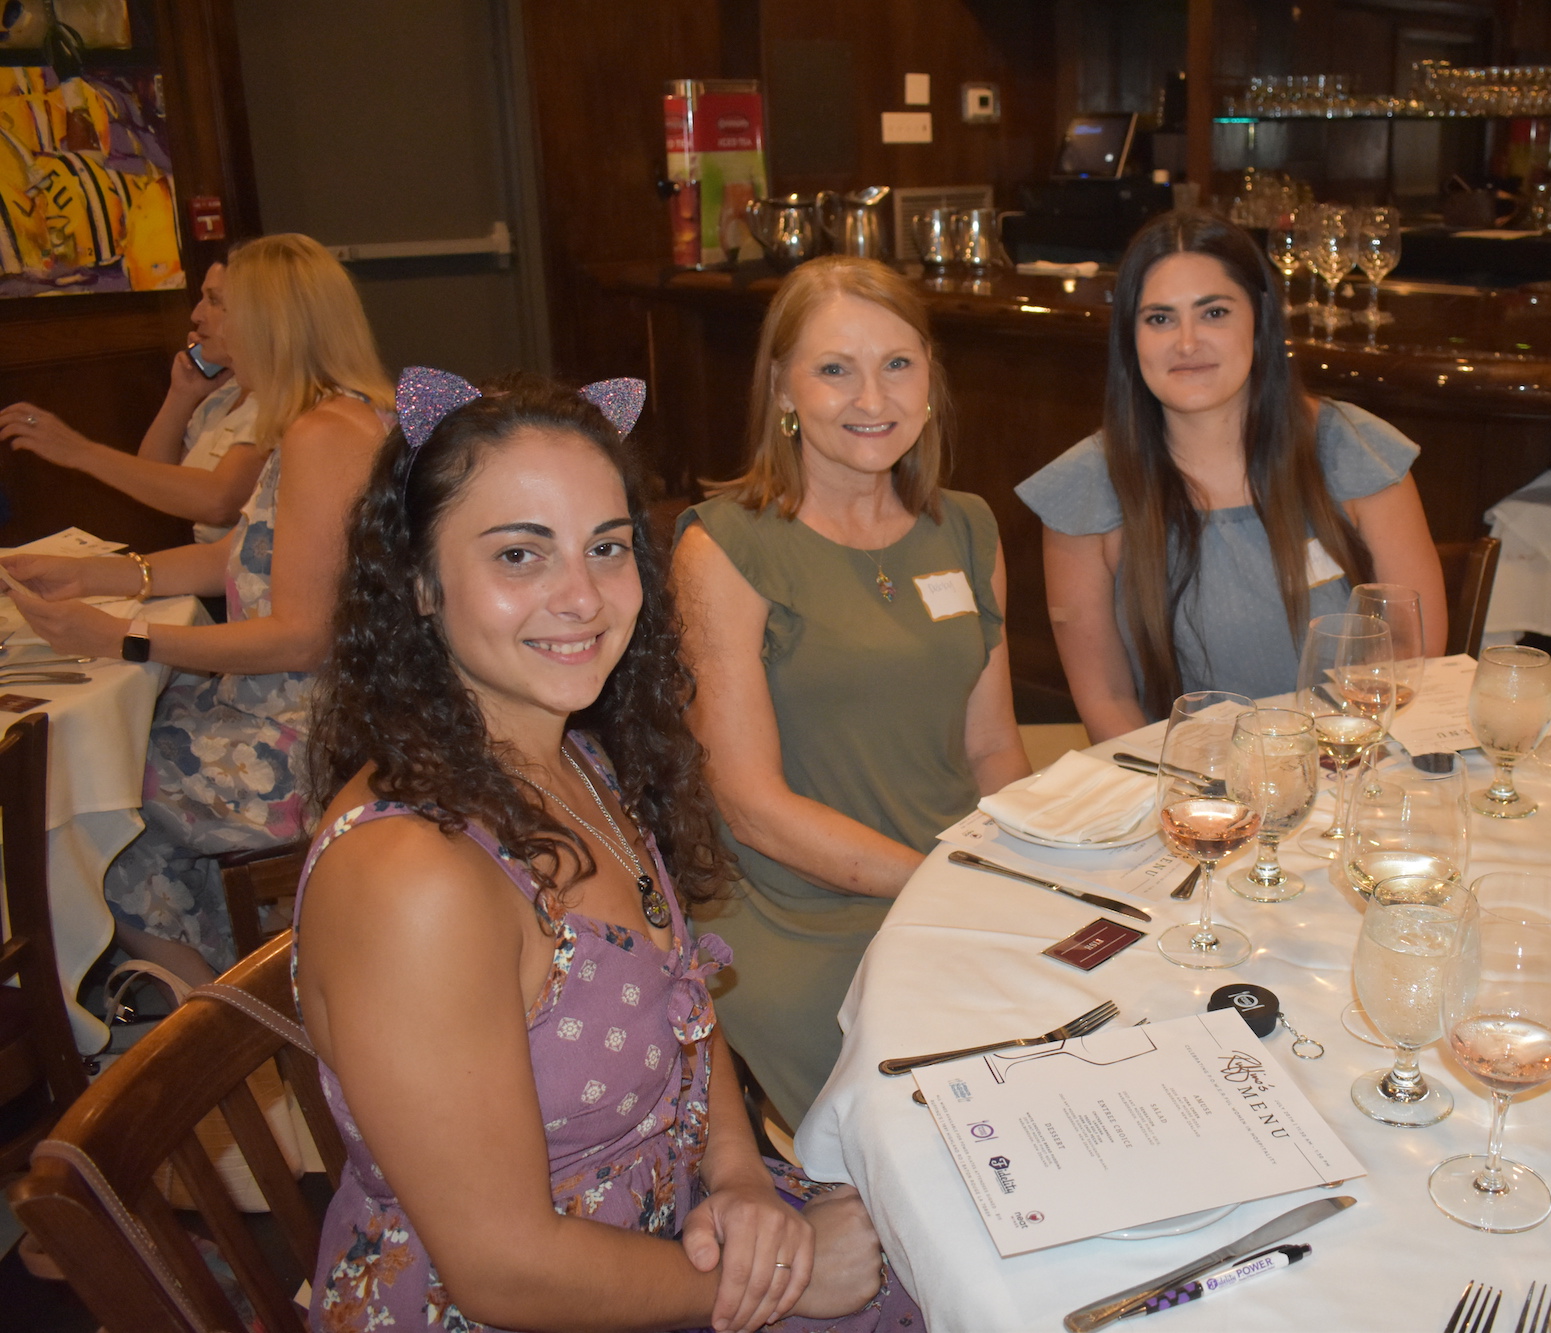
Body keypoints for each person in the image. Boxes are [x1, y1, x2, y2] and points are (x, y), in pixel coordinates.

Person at [295, 368, 915, 1333]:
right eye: (519, 555)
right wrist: (785, 1281)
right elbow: (502, 1270)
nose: (581, 597)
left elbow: (684, 1008)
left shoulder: (576, 759)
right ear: (418, 581)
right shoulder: (411, 879)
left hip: (671, 1226)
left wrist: (740, 1174)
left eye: (607, 547)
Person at [672, 255, 1030, 1127]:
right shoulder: (723, 547)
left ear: (930, 379)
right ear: (782, 389)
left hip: (955, 876)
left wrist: (1028, 871)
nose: (873, 397)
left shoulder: (968, 526)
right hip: (800, 910)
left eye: (897, 364)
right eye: (835, 368)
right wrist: (946, 883)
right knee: (946, 1111)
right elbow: (751, 806)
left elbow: (992, 747)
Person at [0, 233, 392, 985]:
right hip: (310, 712)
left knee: (92, 798)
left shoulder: (322, 435)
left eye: (226, 307)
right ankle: (226, 975)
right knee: (124, 751)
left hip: (315, 743)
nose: (209, 323)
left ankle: (215, 1011)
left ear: (270, 324)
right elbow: (239, 556)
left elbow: (303, 636)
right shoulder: (332, 417)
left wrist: (123, 637)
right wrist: (91, 576)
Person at [1018, 209, 1447, 742]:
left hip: (1351, 760)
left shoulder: (1352, 450)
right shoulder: (1083, 490)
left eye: (1214, 312)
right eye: (1159, 319)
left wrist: (1333, 769)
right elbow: (1108, 702)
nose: (1187, 343)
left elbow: (1411, 653)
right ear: (1129, 337)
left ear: (1260, 318)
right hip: (1188, 782)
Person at [1, 260, 268, 542]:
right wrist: (182, 395)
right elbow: (153, 479)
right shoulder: (225, 395)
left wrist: (79, 451)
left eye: (214, 300)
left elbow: (219, 502)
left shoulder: (278, 401)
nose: (196, 314)